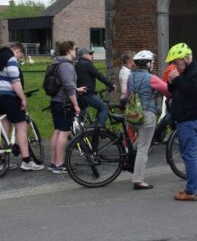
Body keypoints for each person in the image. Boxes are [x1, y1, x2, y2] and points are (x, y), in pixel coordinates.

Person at [166, 42, 197, 201]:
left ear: (186, 58)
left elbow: (190, 90)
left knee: (190, 155)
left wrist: (177, 79)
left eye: (176, 63)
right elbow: (177, 91)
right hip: (187, 119)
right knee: (190, 155)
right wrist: (171, 82)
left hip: (191, 120)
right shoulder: (187, 73)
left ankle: (191, 191)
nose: (175, 67)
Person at [126, 50, 170, 190]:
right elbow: (168, 90)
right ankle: (138, 180)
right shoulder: (151, 78)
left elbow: (128, 94)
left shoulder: (131, 77)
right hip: (146, 115)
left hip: (133, 115)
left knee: (138, 143)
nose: (153, 64)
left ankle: (129, 160)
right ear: (148, 64)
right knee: (143, 148)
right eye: (152, 62)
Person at [0, 42, 44, 170]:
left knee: (4, 127)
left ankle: (2, 161)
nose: (18, 59)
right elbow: (15, 81)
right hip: (10, 97)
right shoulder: (10, 58)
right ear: (17, 51)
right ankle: (26, 161)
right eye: (20, 56)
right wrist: (23, 99)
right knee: (21, 126)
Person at [49, 41, 87, 173]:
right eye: (74, 49)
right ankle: (59, 164)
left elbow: (64, 85)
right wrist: (76, 105)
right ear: (69, 50)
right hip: (63, 103)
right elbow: (68, 87)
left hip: (56, 101)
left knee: (58, 131)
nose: (75, 51)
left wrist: (77, 89)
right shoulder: (66, 66)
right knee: (64, 133)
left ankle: (54, 162)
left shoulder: (57, 63)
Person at [75, 47, 114, 127]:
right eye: (90, 54)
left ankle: (82, 134)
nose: (91, 56)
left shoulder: (76, 65)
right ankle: (98, 131)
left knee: (82, 115)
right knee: (104, 108)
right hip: (87, 93)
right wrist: (111, 85)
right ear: (83, 55)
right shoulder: (87, 64)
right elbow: (99, 75)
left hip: (79, 94)